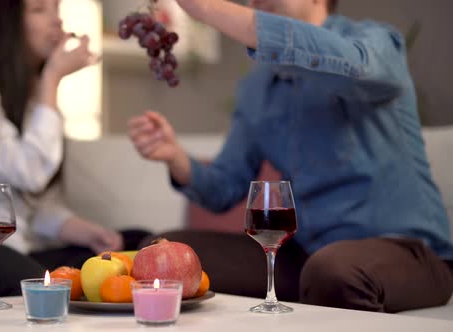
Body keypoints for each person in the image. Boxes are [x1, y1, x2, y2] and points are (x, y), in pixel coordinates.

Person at [128, 0, 453, 312]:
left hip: (409, 254)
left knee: (334, 270)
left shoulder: (376, 42)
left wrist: (208, 8)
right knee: (162, 255)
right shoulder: (257, 88)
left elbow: (354, 66)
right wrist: (176, 158)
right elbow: (225, 186)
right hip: (305, 256)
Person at [0, 0, 148, 301]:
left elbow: (29, 206)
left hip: (16, 248)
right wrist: (52, 80)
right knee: (40, 285)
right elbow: (29, 173)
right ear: (5, 24)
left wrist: (83, 230)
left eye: (56, 9)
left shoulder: (32, 97)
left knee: (135, 244)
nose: (56, 21)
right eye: (39, 10)